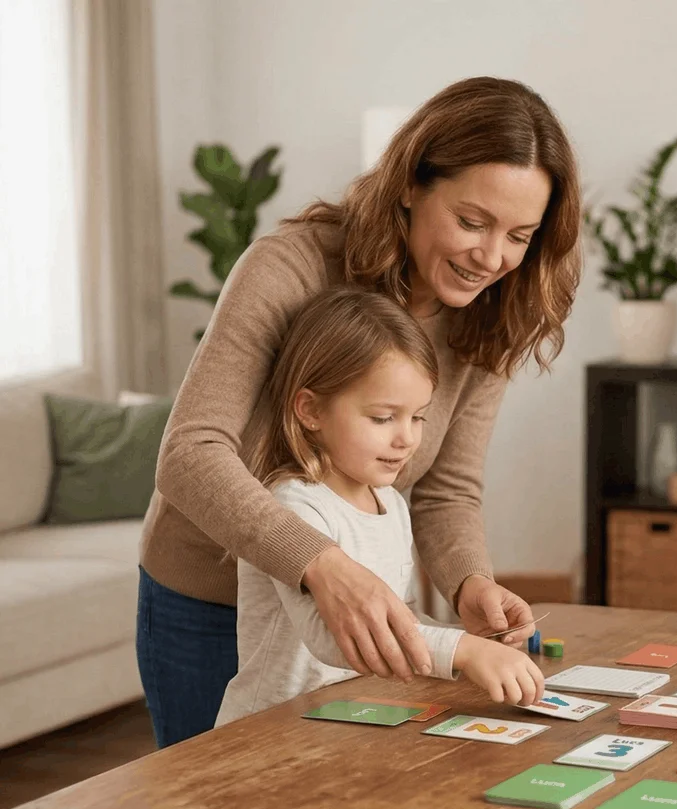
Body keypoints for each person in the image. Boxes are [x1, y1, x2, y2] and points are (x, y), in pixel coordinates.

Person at [138, 77, 579, 747]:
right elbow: (190, 453)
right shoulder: (293, 266)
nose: (491, 257)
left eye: (519, 235)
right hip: (208, 601)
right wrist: (322, 565)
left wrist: (469, 583)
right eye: (471, 221)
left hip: (354, 620)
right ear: (410, 184)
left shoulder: (493, 312)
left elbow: (444, 487)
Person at [216, 289, 544, 725]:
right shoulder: (293, 506)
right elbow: (333, 638)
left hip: (349, 719)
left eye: (418, 417)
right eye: (383, 418)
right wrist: (464, 653)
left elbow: (401, 614)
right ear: (311, 410)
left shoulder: (389, 503)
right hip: (271, 729)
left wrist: (476, 641)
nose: (406, 438)